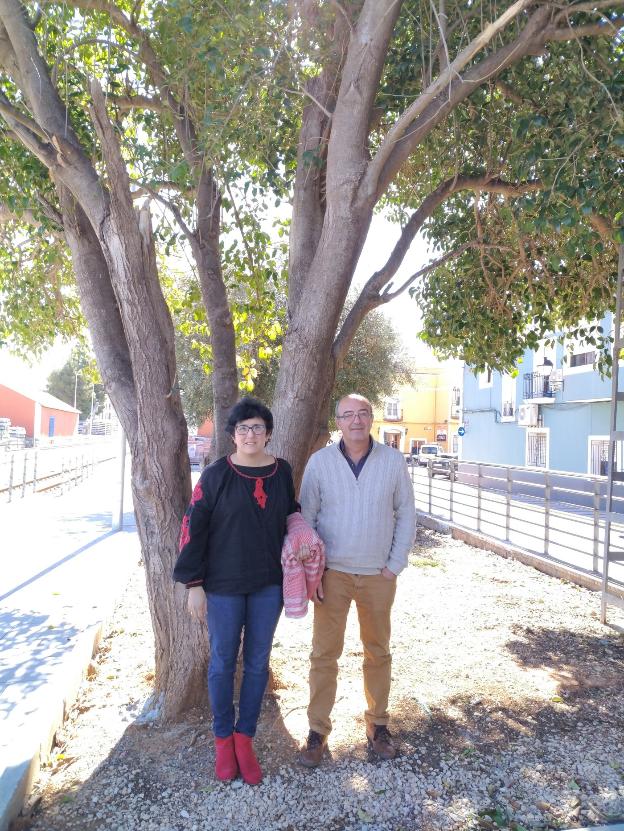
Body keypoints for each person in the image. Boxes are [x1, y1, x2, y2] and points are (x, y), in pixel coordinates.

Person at [173, 396, 298, 785]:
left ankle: (246, 739)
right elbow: (193, 528)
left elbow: (290, 513)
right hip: (223, 586)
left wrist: (303, 533)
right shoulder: (214, 476)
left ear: (269, 433)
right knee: (223, 662)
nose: (250, 434)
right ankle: (223, 741)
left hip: (267, 586)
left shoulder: (282, 471)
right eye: (243, 428)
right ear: (232, 435)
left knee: (258, 663)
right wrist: (194, 584)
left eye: (257, 427)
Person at [298, 393, 416, 767]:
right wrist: (313, 574)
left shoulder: (393, 462)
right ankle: (317, 731)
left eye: (363, 414)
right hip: (332, 577)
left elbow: (407, 514)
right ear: (338, 422)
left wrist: (394, 565)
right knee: (323, 655)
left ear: (371, 419)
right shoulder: (319, 464)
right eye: (348, 415)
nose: (356, 421)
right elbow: (306, 521)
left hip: (378, 576)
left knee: (378, 652)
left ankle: (378, 725)